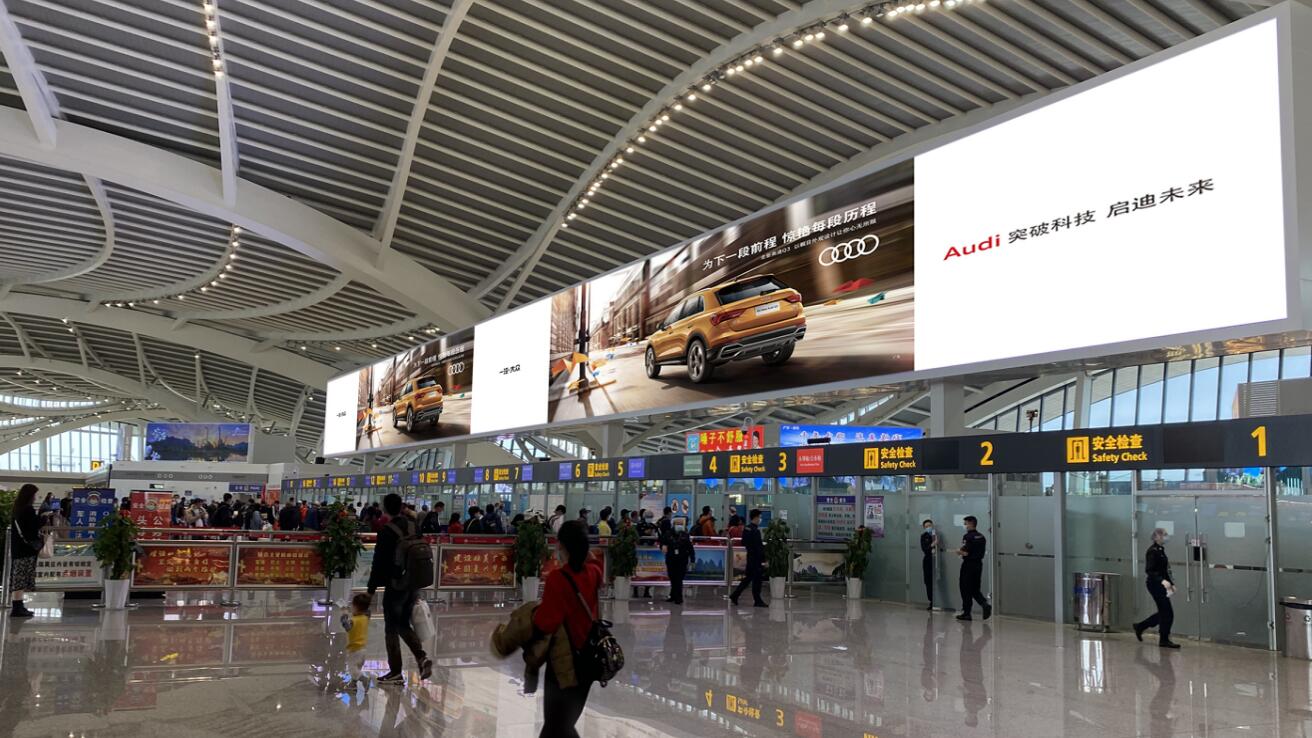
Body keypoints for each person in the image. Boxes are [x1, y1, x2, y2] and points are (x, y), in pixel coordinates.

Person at [532, 520, 601, 738]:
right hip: (588, 659)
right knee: (566, 722)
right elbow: (595, 564)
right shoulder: (594, 573)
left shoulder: (558, 579)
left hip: (563, 662)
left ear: (562, 546)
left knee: (555, 725)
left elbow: (546, 622)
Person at [366, 493, 432, 685]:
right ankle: (421, 658)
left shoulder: (387, 531)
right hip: (413, 584)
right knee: (403, 623)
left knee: (391, 628)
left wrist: (371, 589)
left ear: (385, 508)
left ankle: (395, 671)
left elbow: (379, 562)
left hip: (395, 585)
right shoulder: (414, 525)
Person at [1134, 528, 1180, 648]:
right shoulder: (1152, 551)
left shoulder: (1160, 550)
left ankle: (1141, 626)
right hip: (1155, 585)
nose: (1166, 536)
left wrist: (1171, 584)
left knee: (1165, 612)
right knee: (1167, 612)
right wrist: (1162, 581)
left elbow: (1164, 570)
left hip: (1162, 584)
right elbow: (1150, 570)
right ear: (1157, 537)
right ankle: (1163, 639)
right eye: (1164, 534)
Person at [8, 484, 40, 617]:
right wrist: (43, 518)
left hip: (17, 548)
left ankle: (18, 606)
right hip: (26, 549)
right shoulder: (28, 510)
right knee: (21, 578)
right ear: (30, 495)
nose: (36, 497)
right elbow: (33, 528)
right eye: (35, 494)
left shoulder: (17, 508)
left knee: (18, 577)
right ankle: (17, 607)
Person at [955, 516, 991, 621]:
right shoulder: (981, 536)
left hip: (968, 565)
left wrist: (958, 551)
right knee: (975, 588)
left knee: (965, 588)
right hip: (978, 565)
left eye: (965, 523)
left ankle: (967, 613)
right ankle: (984, 604)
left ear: (971, 524)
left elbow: (965, 552)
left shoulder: (968, 536)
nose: (965, 526)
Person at [730, 509, 767, 607]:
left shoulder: (747, 528)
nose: (760, 519)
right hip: (756, 559)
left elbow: (743, 542)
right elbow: (759, 547)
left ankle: (735, 595)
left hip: (750, 557)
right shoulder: (755, 531)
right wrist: (763, 559)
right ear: (756, 517)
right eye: (760, 517)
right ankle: (757, 600)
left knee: (747, 579)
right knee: (757, 580)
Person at [340, 592, 373, 684]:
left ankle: (364, 680)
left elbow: (346, 626)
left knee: (352, 669)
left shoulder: (353, 621)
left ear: (356, 607)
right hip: (363, 649)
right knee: (357, 668)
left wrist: (344, 614)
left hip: (354, 649)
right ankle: (353, 684)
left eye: (352, 606)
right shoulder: (365, 617)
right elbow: (367, 611)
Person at [665, 527, 695, 605]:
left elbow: (690, 549)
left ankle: (679, 597)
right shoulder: (668, 534)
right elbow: (663, 542)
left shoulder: (685, 536)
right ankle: (673, 595)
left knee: (678, 579)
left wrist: (692, 560)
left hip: (682, 561)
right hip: (671, 560)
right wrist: (662, 546)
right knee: (672, 578)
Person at [919, 519, 939, 611]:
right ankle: (932, 601)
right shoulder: (924, 536)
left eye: (930, 526)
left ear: (932, 526)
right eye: (926, 526)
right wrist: (932, 545)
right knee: (928, 582)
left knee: (938, 581)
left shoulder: (937, 535)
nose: (928, 528)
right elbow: (924, 549)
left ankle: (940, 602)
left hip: (937, 560)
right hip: (928, 560)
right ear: (924, 528)